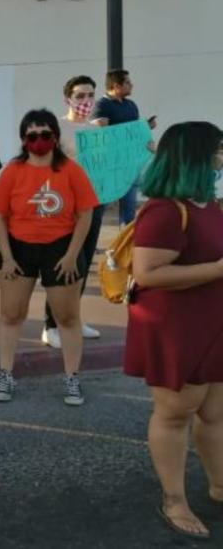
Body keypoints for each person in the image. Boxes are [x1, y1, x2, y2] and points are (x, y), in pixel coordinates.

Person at [126, 122, 223, 541]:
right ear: (196, 157)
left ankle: (219, 484)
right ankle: (174, 500)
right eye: (217, 151)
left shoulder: (207, 204)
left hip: (210, 321)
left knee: (215, 413)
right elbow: (147, 273)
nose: (221, 158)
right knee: (175, 414)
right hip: (176, 327)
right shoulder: (165, 210)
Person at [0, 109, 98, 405]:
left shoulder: (72, 170)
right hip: (19, 249)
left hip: (61, 248)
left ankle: (72, 378)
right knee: (11, 315)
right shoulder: (13, 169)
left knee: (67, 317)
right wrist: (8, 257)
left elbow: (85, 213)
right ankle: (5, 375)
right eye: (32, 136)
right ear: (24, 140)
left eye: (45, 135)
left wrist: (73, 254)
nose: (39, 141)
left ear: (56, 138)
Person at [40, 76, 104, 348]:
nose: (85, 101)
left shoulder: (98, 129)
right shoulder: (56, 128)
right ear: (67, 99)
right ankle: (50, 325)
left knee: (84, 262)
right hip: (66, 207)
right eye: (79, 96)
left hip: (94, 203)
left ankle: (72, 318)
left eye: (90, 95)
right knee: (64, 263)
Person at [92, 69, 157, 225]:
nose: (131, 85)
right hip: (109, 166)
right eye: (128, 82)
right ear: (116, 86)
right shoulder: (102, 105)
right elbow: (101, 133)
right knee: (100, 205)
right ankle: (89, 241)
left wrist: (146, 127)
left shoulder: (131, 105)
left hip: (129, 164)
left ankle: (125, 246)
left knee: (129, 209)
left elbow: (133, 132)